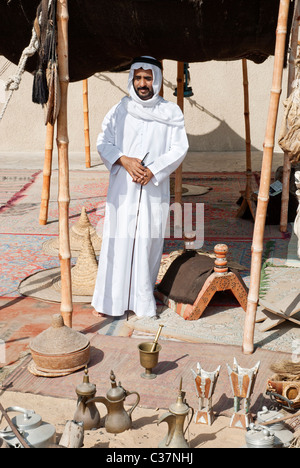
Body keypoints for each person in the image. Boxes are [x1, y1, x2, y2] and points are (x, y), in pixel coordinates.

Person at [92, 56, 189, 319]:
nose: (143, 83)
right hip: (123, 188)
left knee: (147, 241)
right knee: (118, 242)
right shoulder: (119, 110)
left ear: (156, 79)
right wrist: (124, 160)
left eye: (148, 78)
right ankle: (111, 302)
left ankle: (141, 302)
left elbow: (179, 148)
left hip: (153, 189)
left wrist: (153, 170)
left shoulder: (171, 112)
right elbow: (103, 142)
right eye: (138, 78)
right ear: (131, 79)